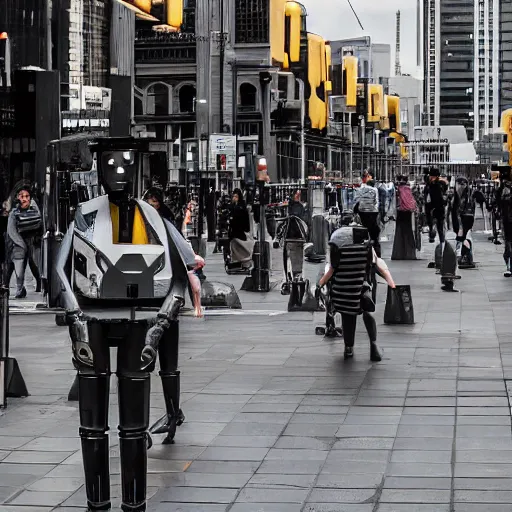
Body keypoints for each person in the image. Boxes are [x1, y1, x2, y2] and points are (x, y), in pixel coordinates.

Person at [318, 226, 396, 362]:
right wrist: (391, 282)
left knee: (348, 317)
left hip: (342, 291)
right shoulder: (365, 248)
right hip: (361, 288)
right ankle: (373, 345)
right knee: (368, 313)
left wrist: (320, 285)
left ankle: (349, 348)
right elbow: (378, 265)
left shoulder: (337, 249)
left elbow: (331, 270)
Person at [144, 188, 205, 317]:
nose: (151, 205)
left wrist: (190, 257)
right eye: (149, 202)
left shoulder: (163, 220)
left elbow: (177, 239)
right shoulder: (144, 219)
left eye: (154, 202)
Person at [6, 187, 42, 298]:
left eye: (27, 196)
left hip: (30, 241)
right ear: (18, 197)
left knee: (33, 263)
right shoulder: (14, 213)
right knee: (16, 266)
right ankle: (18, 289)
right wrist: (21, 244)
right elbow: (11, 231)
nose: (25, 199)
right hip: (17, 243)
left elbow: (39, 221)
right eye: (22, 196)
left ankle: (37, 284)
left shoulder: (34, 209)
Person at [354, 171, 381, 257]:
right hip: (373, 212)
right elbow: (376, 201)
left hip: (362, 212)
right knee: (374, 228)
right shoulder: (375, 190)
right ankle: (375, 245)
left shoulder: (360, 190)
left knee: (364, 227)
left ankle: (364, 243)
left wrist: (355, 211)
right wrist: (376, 211)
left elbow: (357, 201)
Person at [228, 188, 253, 269]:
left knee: (240, 247)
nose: (234, 198)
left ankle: (242, 262)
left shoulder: (242, 207)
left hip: (240, 230)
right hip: (234, 230)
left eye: (236, 196)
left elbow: (244, 219)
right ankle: (236, 262)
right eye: (233, 196)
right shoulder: (232, 206)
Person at [425, 168, 448, 244]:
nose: (431, 177)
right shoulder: (432, 184)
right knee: (435, 224)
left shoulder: (437, 184)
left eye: (432, 176)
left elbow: (442, 195)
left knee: (438, 225)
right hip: (434, 207)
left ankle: (440, 239)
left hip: (436, 207)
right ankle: (437, 238)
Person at [495, 167, 512, 276]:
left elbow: (498, 203)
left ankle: (509, 266)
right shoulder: (503, 189)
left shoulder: (502, 189)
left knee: (508, 243)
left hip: (507, 220)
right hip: (507, 219)